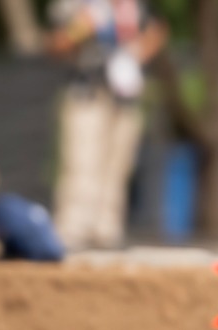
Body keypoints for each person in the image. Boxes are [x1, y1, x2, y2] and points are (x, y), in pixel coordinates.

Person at [47, 0, 166, 251]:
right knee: (81, 161)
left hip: (125, 97)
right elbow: (55, 44)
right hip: (87, 92)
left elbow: (158, 30)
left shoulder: (138, 6)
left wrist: (136, 57)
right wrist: (80, 29)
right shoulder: (74, 5)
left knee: (118, 165)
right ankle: (73, 229)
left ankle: (106, 230)